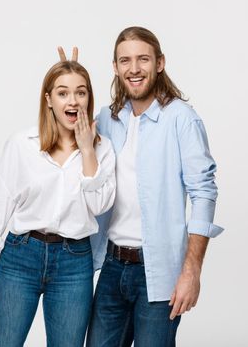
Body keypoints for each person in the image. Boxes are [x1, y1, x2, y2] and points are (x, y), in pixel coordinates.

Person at [60, 26, 223, 346]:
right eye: (125, 61)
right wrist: (66, 76)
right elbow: (66, 141)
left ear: (159, 63)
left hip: (159, 273)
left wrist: (191, 271)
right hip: (110, 267)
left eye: (143, 59)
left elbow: (204, 191)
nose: (134, 69)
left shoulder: (182, 119)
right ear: (115, 67)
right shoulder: (107, 119)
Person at [0, 60, 116, 347]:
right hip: (21, 257)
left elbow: (99, 205)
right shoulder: (22, 144)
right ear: (48, 99)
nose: (73, 100)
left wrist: (88, 149)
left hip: (74, 263)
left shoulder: (102, 148)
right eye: (63, 93)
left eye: (81, 92)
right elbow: (0, 203)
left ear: (89, 97)